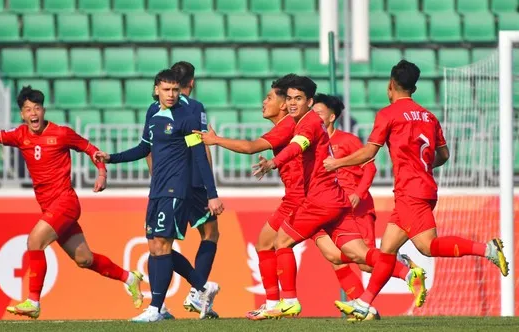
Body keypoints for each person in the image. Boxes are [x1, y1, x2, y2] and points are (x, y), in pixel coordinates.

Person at [0, 87, 143, 319]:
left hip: (66, 202)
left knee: (34, 240)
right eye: (28, 109)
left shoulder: (61, 133)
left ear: (43, 110)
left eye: (37, 108)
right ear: (22, 114)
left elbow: (91, 149)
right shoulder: (20, 135)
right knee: (84, 259)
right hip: (50, 207)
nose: (33, 113)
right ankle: (129, 278)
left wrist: (102, 174)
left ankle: (33, 302)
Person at [324, 60, 508, 321]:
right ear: (414, 87)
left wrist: (337, 162)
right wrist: (420, 167)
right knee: (386, 251)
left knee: (427, 247)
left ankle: (487, 249)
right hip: (420, 188)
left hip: (411, 191)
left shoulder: (388, 114)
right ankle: (364, 304)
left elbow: (368, 153)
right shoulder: (429, 116)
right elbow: (443, 155)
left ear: (391, 85)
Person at [252, 75, 422, 319]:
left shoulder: (318, 129)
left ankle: (287, 301)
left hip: (327, 202)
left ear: (313, 105)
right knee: (344, 256)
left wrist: (274, 162)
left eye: (297, 99)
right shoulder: (312, 128)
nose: (291, 103)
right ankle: (397, 277)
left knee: (281, 243)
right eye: (289, 98)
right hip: (329, 200)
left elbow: (298, 146)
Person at [94, 69, 223, 322]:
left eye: (175, 89)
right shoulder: (152, 113)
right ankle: (201, 286)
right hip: (157, 189)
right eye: (166, 89)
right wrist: (112, 157)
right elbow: (144, 147)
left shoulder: (187, 117)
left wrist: (212, 194)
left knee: (162, 245)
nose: (172, 94)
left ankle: (156, 308)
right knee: (155, 246)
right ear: (157, 90)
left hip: (176, 189)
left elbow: (199, 156)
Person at [195, 74, 306, 320]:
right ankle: (273, 303)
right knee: (266, 244)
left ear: (284, 105)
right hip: (295, 197)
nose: (263, 102)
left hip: (302, 199)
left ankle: (288, 300)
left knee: (282, 244)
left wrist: (215, 140)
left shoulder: (288, 125)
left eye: (269, 98)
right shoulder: (284, 127)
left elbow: (249, 147)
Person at [144, 61, 220, 318]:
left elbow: (149, 150)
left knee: (158, 243)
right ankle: (200, 291)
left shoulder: (155, 110)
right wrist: (212, 190)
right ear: (192, 82)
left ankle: (160, 305)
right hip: (192, 182)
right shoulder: (194, 108)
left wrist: (158, 178)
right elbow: (201, 146)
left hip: (164, 184)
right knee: (209, 233)